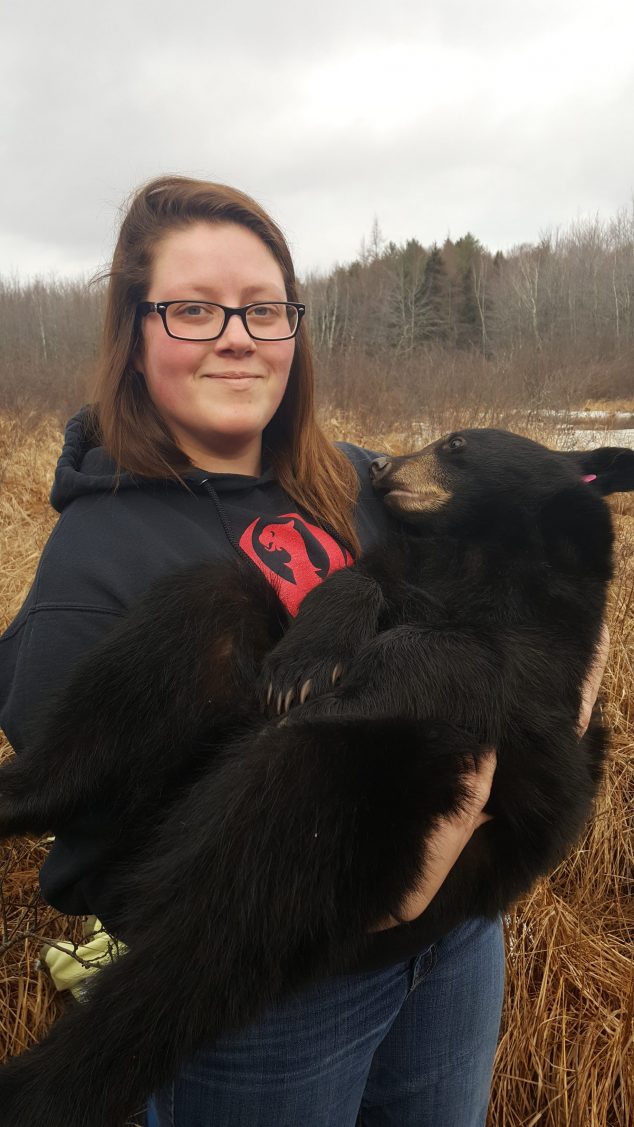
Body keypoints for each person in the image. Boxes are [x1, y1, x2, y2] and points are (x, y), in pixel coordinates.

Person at [0, 176, 608, 1127]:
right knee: (218, 608)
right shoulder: (95, 572)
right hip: (278, 997)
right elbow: (110, 869)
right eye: (193, 308)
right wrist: (369, 897)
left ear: (295, 327)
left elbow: (543, 625)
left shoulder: (365, 479)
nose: (237, 334)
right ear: (133, 330)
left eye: (264, 307)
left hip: (455, 951)